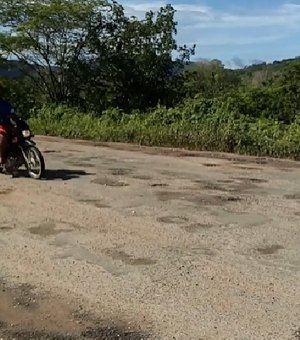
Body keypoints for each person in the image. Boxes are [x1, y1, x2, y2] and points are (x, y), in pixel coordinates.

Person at [0, 84, 16, 171]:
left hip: (10, 125)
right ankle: (2, 161)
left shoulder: (5, 104)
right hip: (2, 126)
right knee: (2, 139)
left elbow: (13, 113)